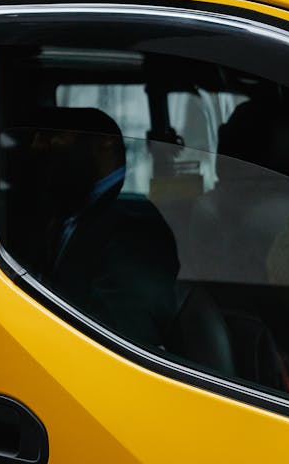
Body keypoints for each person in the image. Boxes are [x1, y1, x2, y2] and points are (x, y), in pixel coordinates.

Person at [28, 107, 179, 348]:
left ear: (105, 142)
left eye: (55, 135)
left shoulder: (134, 227)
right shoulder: (71, 212)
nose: (41, 146)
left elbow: (122, 335)